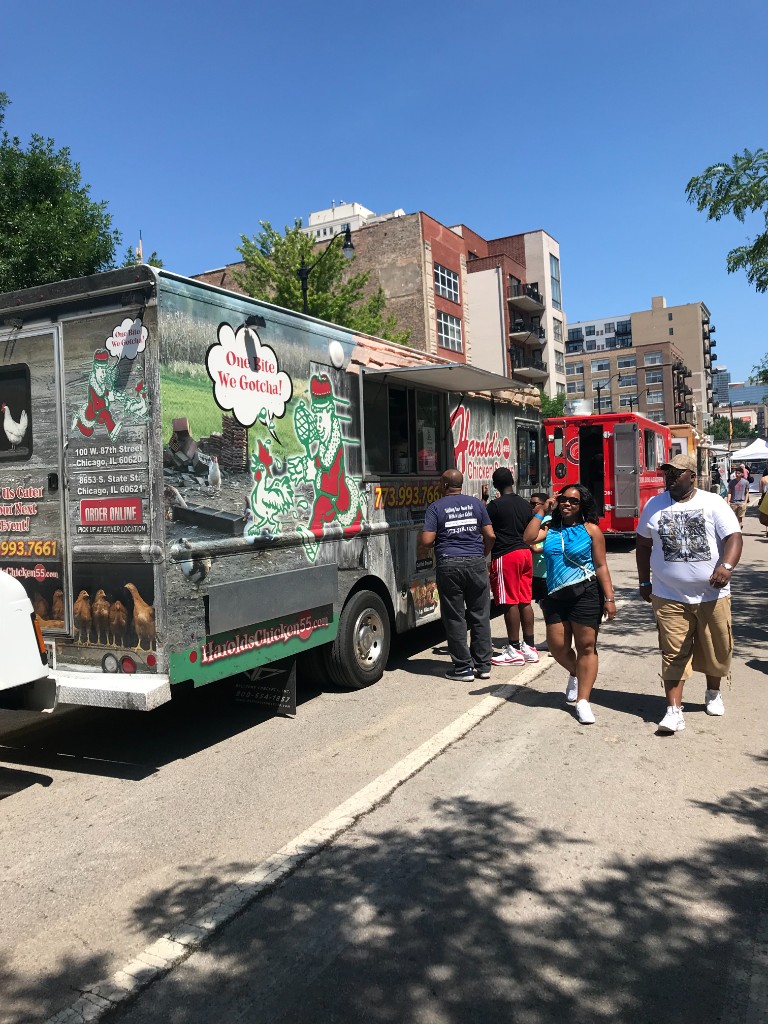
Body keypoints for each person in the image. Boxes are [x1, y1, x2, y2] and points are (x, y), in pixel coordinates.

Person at [636, 453, 742, 734]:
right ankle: (674, 710)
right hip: (668, 594)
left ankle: (713, 692)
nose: (669, 478)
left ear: (692, 476)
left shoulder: (712, 502)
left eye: (676, 473)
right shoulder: (654, 505)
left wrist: (727, 566)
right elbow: (643, 545)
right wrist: (644, 582)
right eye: (667, 474)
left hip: (713, 594)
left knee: (716, 649)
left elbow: (733, 536)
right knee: (673, 651)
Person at [523, 485, 617, 725]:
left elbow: (601, 565)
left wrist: (609, 598)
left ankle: (583, 701)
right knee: (557, 646)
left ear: (582, 505)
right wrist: (542, 509)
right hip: (555, 594)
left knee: (586, 646)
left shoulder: (591, 531)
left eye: (573, 501)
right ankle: (576, 672)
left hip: (586, 593)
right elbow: (528, 538)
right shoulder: (550, 528)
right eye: (564, 499)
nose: (567, 504)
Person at [418, 469, 495, 682]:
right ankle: (483, 665)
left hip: (449, 564)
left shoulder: (436, 507)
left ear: (443, 484)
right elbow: (490, 534)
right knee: (480, 614)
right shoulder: (477, 504)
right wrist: (482, 553)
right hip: (476, 562)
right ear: (461, 484)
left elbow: (426, 540)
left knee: (455, 616)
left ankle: (463, 668)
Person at [485, 467, 538, 667]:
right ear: (513, 481)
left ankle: (513, 649)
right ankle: (529, 647)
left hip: (505, 555)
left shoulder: (495, 506)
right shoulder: (525, 505)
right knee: (525, 600)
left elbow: (485, 527)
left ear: (495, 485)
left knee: (509, 602)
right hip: (525, 553)